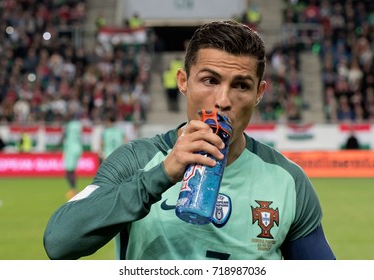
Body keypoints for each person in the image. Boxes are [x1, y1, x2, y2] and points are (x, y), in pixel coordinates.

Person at [44, 20, 335, 260]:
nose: (222, 101)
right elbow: (59, 242)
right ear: (183, 82)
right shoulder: (136, 161)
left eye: (241, 86)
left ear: (259, 93)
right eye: (210, 80)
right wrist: (162, 174)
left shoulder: (288, 181)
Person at [62, 114, 83, 200]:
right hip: (78, 147)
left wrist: (56, 146)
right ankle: (74, 189)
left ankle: (73, 190)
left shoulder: (69, 125)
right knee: (73, 170)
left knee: (68, 172)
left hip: (70, 148)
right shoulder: (79, 125)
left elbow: (64, 136)